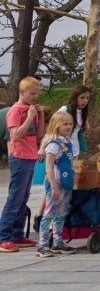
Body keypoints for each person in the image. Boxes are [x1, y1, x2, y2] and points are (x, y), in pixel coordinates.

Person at [0, 77, 45, 253]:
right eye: (32, 93)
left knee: (24, 197)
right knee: (15, 197)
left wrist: (39, 117)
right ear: (22, 92)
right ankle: (4, 236)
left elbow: (38, 134)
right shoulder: (15, 111)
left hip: (30, 156)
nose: (35, 97)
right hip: (19, 157)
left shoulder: (30, 109)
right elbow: (16, 135)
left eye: (37, 93)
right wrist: (29, 117)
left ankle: (17, 234)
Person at [36, 110, 78, 257]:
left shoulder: (67, 142)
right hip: (55, 185)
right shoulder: (53, 144)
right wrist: (53, 186)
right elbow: (49, 167)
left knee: (61, 214)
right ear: (55, 125)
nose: (68, 126)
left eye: (70, 124)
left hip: (65, 185)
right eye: (64, 124)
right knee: (49, 214)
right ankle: (42, 244)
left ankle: (58, 241)